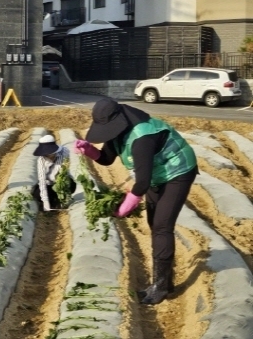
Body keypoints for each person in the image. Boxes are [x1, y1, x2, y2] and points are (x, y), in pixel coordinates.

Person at [74, 98, 198, 305]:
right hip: (157, 176)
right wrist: (90, 151)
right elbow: (106, 158)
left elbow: (142, 183)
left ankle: (161, 287)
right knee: (154, 224)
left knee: (162, 226)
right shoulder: (119, 132)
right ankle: (164, 281)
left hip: (178, 171)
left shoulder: (142, 137)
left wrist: (126, 206)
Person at [32, 135, 76, 212]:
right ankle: (51, 201)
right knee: (37, 193)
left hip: (61, 183)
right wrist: (45, 201)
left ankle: (59, 199)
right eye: (45, 154)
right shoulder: (41, 160)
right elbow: (42, 180)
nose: (48, 156)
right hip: (48, 184)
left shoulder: (64, 152)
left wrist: (61, 189)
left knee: (71, 185)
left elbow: (64, 173)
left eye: (50, 153)